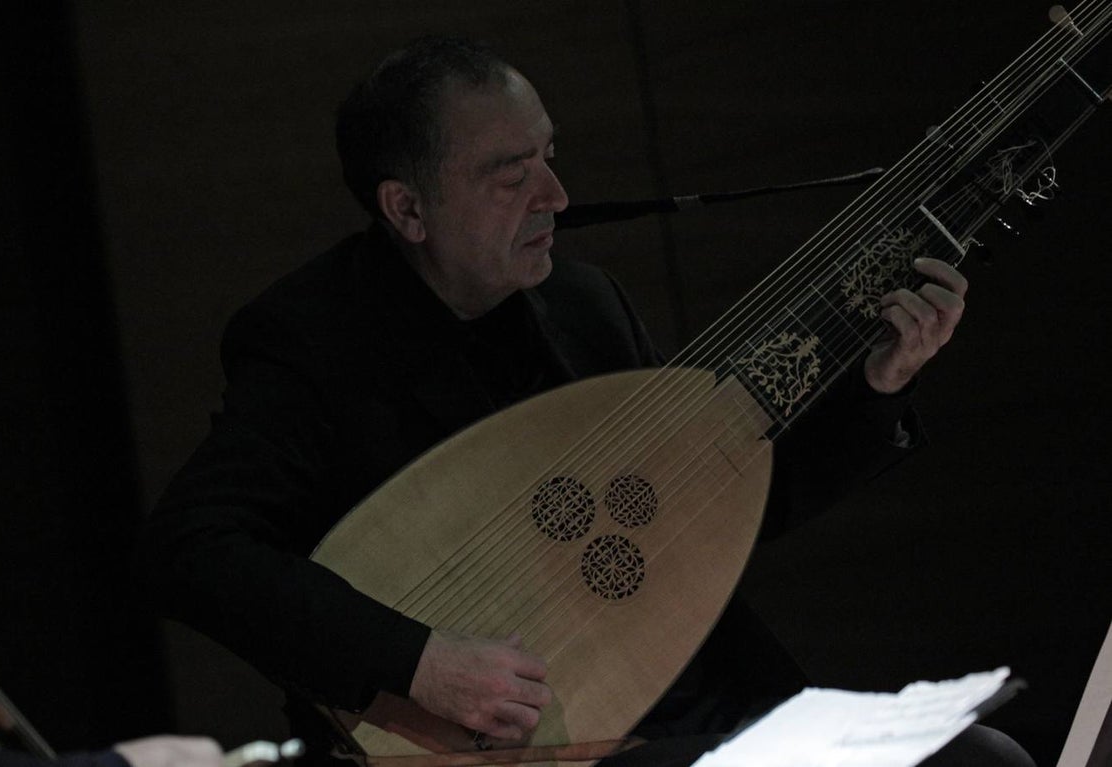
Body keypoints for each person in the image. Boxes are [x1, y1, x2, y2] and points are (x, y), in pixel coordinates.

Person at [138, 36, 1032, 767]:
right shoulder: (313, 340)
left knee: (980, 756)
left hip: (693, 698)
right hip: (522, 744)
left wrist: (877, 384)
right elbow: (190, 549)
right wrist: (420, 661)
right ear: (408, 210)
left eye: (550, 158)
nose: (556, 198)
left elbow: (716, 506)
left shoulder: (583, 305)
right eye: (511, 176)